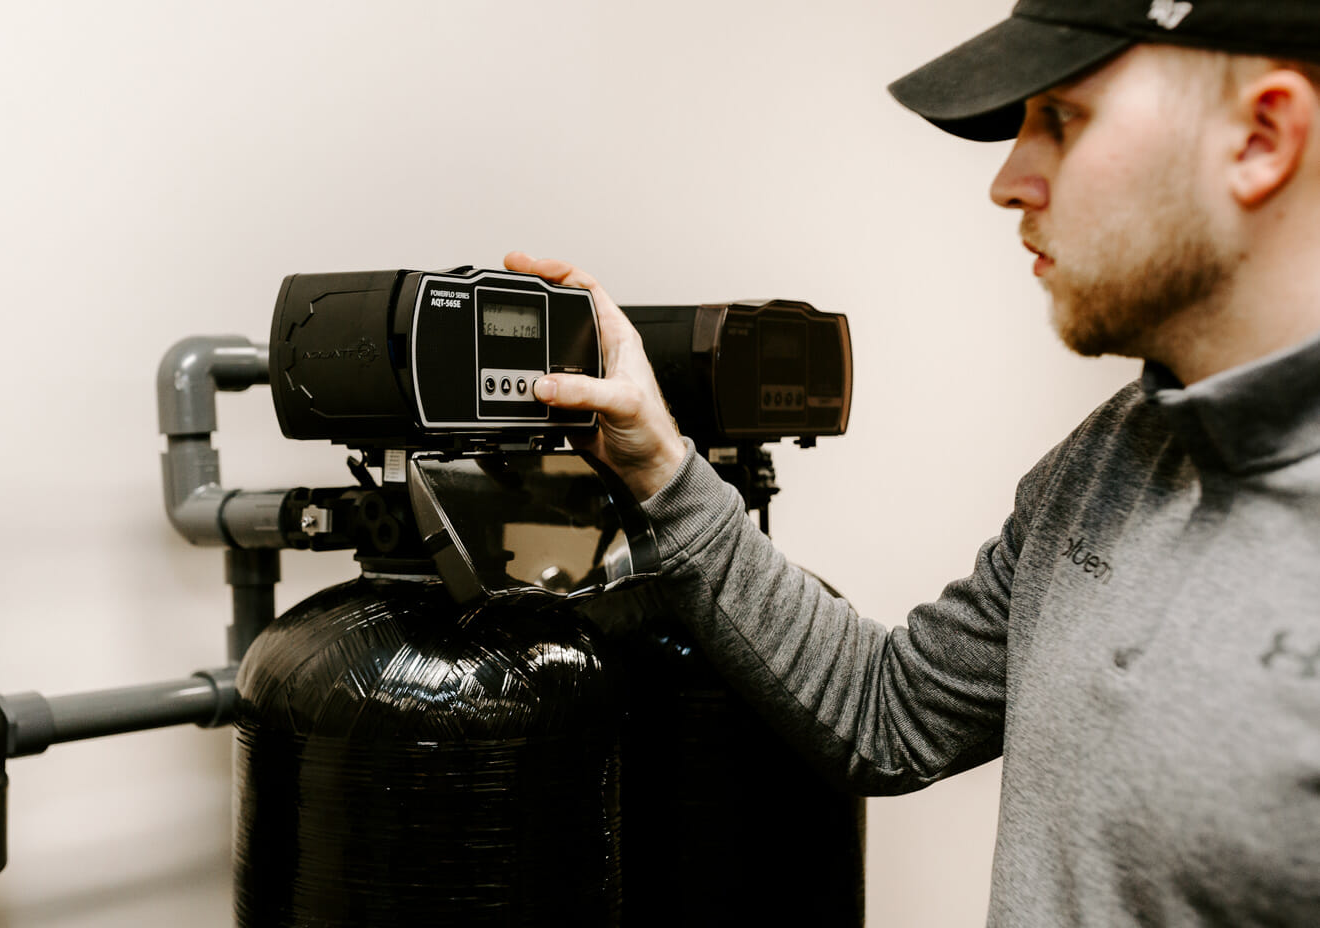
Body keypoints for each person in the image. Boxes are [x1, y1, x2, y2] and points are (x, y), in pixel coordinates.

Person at [507, 1, 1320, 924]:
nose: (1008, 180)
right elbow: (890, 714)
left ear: (1260, 137)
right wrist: (663, 468)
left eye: (1061, 118)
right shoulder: (1113, 456)